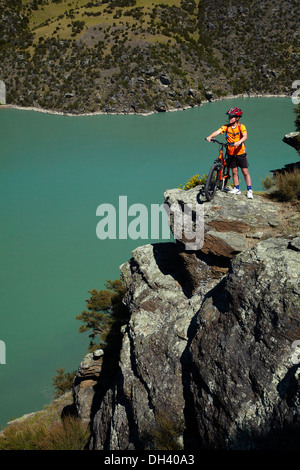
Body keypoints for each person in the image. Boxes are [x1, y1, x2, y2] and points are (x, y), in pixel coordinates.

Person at [206, 107, 253, 199]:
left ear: (237, 118)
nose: (229, 118)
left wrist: (239, 142)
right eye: (229, 116)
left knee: (245, 172)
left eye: (232, 117)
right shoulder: (226, 127)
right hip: (230, 153)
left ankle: (249, 190)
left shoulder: (241, 127)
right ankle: (237, 188)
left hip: (240, 152)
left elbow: (245, 136)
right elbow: (218, 131)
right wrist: (210, 136)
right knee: (234, 171)